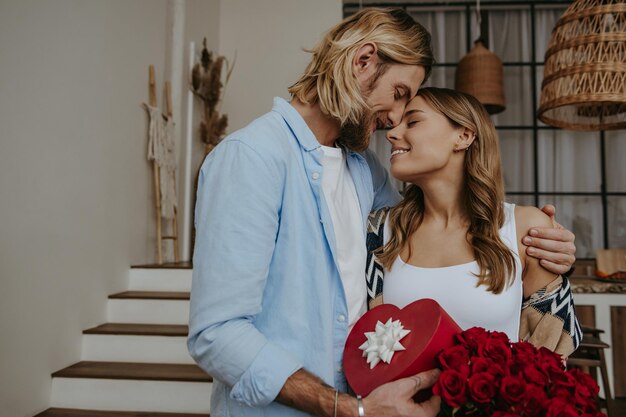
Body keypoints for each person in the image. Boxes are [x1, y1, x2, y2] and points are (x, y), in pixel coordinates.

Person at [188, 8, 576, 417]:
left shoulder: (364, 171)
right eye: (399, 94)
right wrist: (347, 407)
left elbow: (431, 235)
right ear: (364, 61)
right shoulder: (251, 158)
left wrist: (544, 245)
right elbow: (217, 334)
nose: (394, 120)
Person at [366, 87, 581, 357]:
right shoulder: (380, 232)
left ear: (464, 136)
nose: (392, 133)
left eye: (413, 121)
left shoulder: (526, 228)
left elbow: (550, 353)